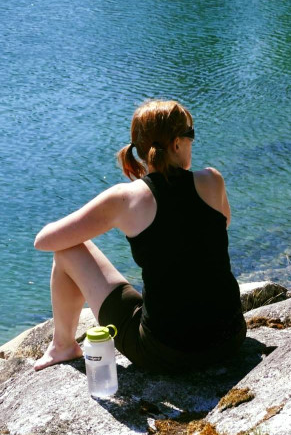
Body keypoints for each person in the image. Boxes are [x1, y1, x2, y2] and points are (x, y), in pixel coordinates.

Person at [33, 100, 245, 373]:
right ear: (177, 144)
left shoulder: (126, 198)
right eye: (191, 134)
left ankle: (63, 344)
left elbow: (43, 240)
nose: (193, 142)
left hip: (165, 353)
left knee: (66, 251)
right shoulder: (213, 181)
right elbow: (219, 228)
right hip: (230, 339)